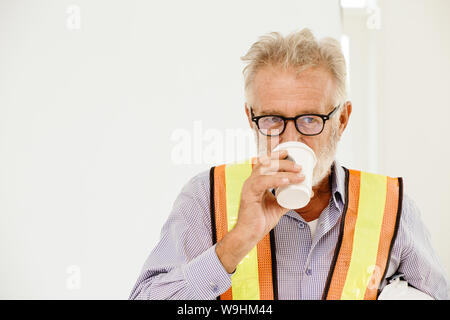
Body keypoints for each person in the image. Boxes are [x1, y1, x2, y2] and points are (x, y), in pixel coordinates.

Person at [129, 28, 449, 300]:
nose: (289, 138)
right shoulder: (205, 196)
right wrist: (237, 240)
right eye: (272, 119)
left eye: (310, 119)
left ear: (342, 119)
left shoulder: (390, 204)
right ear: (251, 119)